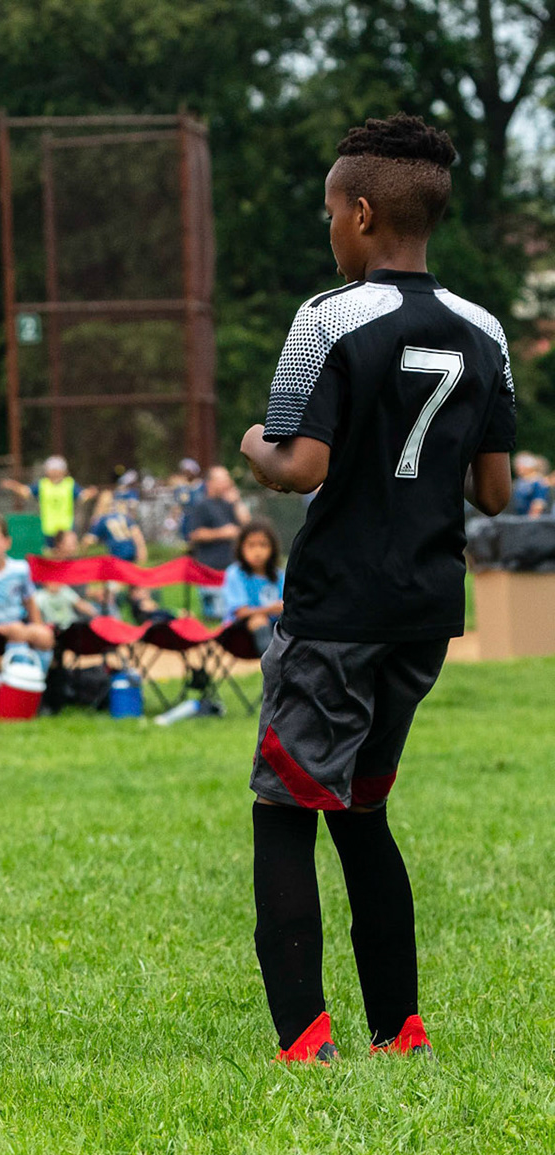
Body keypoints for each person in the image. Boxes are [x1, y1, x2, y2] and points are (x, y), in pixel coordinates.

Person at [238, 114, 514, 1063]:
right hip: (425, 611)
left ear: (359, 213)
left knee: (285, 807)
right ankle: (400, 1028)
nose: (328, 232)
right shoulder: (485, 329)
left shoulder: (327, 316)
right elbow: (495, 489)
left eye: (328, 214)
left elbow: (300, 466)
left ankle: (302, 1041)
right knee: (362, 808)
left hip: (339, 605)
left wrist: (251, 447)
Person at [0, 512, 56, 652]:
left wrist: (36, 630)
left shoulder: (20, 569)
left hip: (16, 631)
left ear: (7, 542)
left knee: (45, 637)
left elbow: (30, 603)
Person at [181, 465, 249, 617]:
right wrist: (222, 533)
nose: (227, 482)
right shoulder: (201, 505)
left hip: (232, 567)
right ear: (210, 483)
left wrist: (237, 501)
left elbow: (247, 524)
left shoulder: (229, 504)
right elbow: (194, 534)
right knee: (215, 616)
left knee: (234, 614)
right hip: (210, 569)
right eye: (222, 479)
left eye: (227, 478)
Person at [221, 520, 286, 653]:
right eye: (251, 545)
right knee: (258, 619)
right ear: (241, 548)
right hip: (239, 632)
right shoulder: (235, 574)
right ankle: (269, 666)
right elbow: (241, 612)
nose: (257, 551)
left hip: (275, 627)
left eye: (263, 545)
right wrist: (271, 609)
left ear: (272, 549)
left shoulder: (279, 576)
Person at [0, 455, 91, 542]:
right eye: (52, 469)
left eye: (57, 469)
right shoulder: (42, 484)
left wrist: (91, 493)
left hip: (66, 527)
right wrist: (12, 485)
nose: (54, 472)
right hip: (47, 528)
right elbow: (26, 492)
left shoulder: (70, 484)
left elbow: (83, 495)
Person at [85, 488, 146, 563]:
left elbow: (89, 540)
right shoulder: (122, 515)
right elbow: (136, 533)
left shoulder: (101, 520)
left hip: (117, 554)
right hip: (131, 551)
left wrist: (83, 552)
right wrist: (141, 550)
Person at [512, 451, 549, 516]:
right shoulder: (519, 482)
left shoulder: (539, 483)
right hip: (518, 520)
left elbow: (538, 506)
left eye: (521, 464)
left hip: (531, 522)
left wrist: (530, 523)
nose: (518, 467)